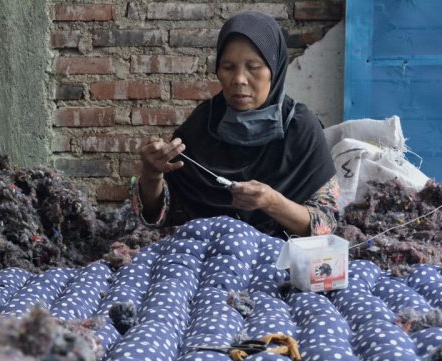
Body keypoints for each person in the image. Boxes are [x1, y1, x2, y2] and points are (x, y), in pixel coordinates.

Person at [133, 11, 339, 238]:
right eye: (229, 67)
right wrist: (152, 175)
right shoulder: (201, 126)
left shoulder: (301, 129)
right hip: (203, 256)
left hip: (279, 260)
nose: (239, 79)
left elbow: (326, 225)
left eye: (253, 67)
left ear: (275, 69)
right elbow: (157, 217)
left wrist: (272, 202)